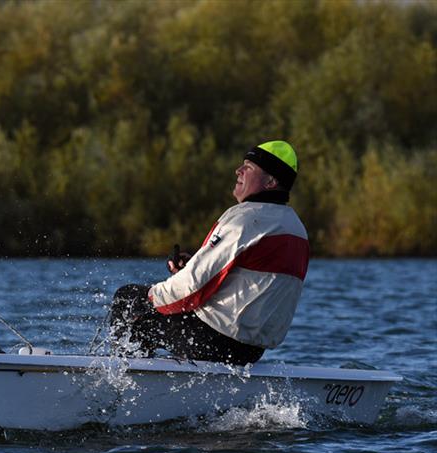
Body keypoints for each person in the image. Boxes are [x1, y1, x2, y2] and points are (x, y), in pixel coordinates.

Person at [109, 140, 309, 365]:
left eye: (249, 167)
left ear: (271, 181)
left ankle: (124, 382)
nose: (238, 170)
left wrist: (149, 299)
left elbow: (193, 286)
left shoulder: (245, 218)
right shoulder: (296, 227)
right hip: (251, 351)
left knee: (127, 297)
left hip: (214, 340)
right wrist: (188, 268)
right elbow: (246, 284)